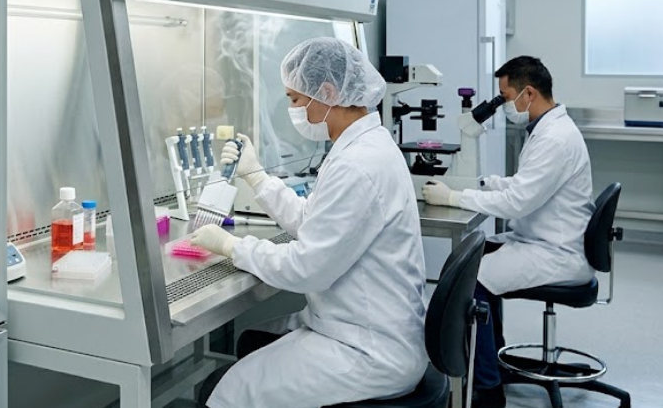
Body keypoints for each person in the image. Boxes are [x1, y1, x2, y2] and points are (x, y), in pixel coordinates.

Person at [189, 37, 427, 408]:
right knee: (254, 340)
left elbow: (306, 269)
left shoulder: (357, 164)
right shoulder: (362, 146)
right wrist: (257, 177)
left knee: (229, 393)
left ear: (328, 92)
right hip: (359, 325)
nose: (292, 109)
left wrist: (232, 246)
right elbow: (313, 220)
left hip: (366, 349)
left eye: (295, 99)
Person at [423, 56, 594, 408]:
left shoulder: (555, 140)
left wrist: (455, 197)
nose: (502, 105)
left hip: (556, 251)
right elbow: (525, 184)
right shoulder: (547, 128)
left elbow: (518, 202)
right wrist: (483, 183)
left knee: (472, 280)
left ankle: (487, 387)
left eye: (505, 96)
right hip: (543, 237)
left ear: (528, 93)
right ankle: (491, 357)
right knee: (471, 257)